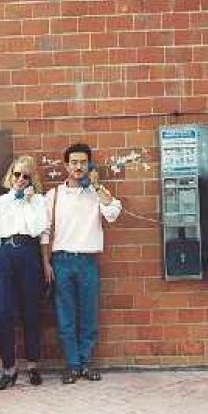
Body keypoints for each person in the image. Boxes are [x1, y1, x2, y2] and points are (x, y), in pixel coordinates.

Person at [40, 143, 121, 384]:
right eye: (74, 162)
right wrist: (46, 263)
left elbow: (113, 212)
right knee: (65, 316)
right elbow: (44, 232)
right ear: (66, 165)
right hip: (62, 261)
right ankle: (73, 365)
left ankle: (86, 363)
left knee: (88, 315)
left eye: (83, 162)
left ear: (89, 165)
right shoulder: (53, 196)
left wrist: (96, 185)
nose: (78, 167)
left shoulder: (96, 193)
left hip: (87, 261)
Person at [0, 155, 48, 390]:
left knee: (32, 311)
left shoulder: (38, 201)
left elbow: (37, 229)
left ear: (32, 180)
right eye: (17, 174)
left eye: (26, 176)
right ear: (10, 175)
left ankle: (33, 365)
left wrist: (28, 201)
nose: (21, 179)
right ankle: (9, 369)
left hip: (29, 254)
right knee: (4, 313)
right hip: (5, 255)